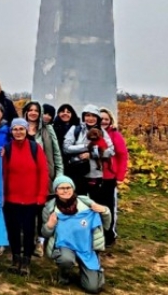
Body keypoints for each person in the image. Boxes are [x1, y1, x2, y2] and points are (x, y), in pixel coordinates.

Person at [41, 176, 111, 294]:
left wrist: (105, 211)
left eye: (68, 187)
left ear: (73, 188)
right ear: (56, 191)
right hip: (65, 247)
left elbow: (106, 225)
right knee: (65, 259)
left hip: (86, 248)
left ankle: (94, 273)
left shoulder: (86, 204)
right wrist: (50, 225)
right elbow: (45, 233)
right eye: (61, 188)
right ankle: (64, 274)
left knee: (92, 288)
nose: (65, 190)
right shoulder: (50, 208)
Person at [3, 118, 49, 276]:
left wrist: (41, 195)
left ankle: (26, 260)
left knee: (29, 231)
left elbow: (43, 173)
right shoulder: (7, 149)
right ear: (11, 131)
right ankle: (16, 259)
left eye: (21, 129)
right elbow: (3, 174)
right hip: (11, 198)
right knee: (13, 230)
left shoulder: (36, 148)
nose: (18, 132)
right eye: (15, 129)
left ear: (27, 130)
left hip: (31, 199)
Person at [63, 105, 115, 199]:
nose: (90, 118)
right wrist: (86, 147)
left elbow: (111, 151)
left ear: (97, 118)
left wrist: (91, 154)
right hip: (77, 171)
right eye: (87, 115)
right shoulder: (75, 129)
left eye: (93, 116)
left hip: (95, 173)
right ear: (83, 117)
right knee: (78, 201)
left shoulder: (102, 132)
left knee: (95, 201)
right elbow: (66, 148)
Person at [98, 107, 129, 246]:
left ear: (110, 120)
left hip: (109, 176)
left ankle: (109, 234)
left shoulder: (115, 135)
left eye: (106, 119)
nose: (103, 121)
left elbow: (122, 156)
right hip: (93, 175)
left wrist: (120, 176)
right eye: (101, 118)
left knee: (109, 206)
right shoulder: (92, 133)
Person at [23, 101, 64, 194]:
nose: (33, 113)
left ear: (40, 113)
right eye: (30, 110)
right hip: (24, 175)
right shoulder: (18, 128)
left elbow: (56, 154)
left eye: (36, 111)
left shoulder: (48, 129)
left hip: (45, 173)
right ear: (26, 112)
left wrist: (59, 174)